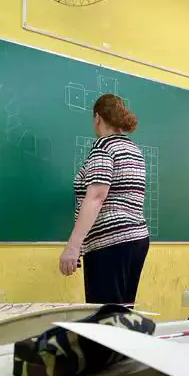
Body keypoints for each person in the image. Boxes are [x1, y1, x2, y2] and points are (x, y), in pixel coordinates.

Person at [59, 94, 149, 305]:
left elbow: (97, 197)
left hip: (110, 243)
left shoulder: (104, 147)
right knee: (120, 316)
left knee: (104, 321)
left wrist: (73, 246)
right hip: (136, 240)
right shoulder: (134, 150)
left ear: (97, 118)